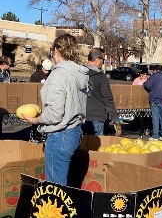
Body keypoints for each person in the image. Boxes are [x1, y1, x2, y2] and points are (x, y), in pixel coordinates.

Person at [21, 34, 89, 186]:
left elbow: (54, 114)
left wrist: (34, 120)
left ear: (56, 50)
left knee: (55, 188)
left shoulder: (58, 75)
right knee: (68, 184)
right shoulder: (79, 73)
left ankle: (59, 211)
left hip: (61, 134)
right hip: (75, 132)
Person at [82, 47, 119, 135]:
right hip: (96, 117)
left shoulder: (78, 73)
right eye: (103, 60)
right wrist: (115, 119)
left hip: (79, 117)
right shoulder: (100, 77)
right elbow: (107, 99)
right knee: (95, 147)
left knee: (81, 147)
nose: (102, 63)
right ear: (98, 59)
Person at [143, 64, 162, 141]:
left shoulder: (154, 76)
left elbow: (148, 85)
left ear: (155, 70)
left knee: (155, 118)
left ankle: (155, 136)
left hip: (155, 99)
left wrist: (144, 84)